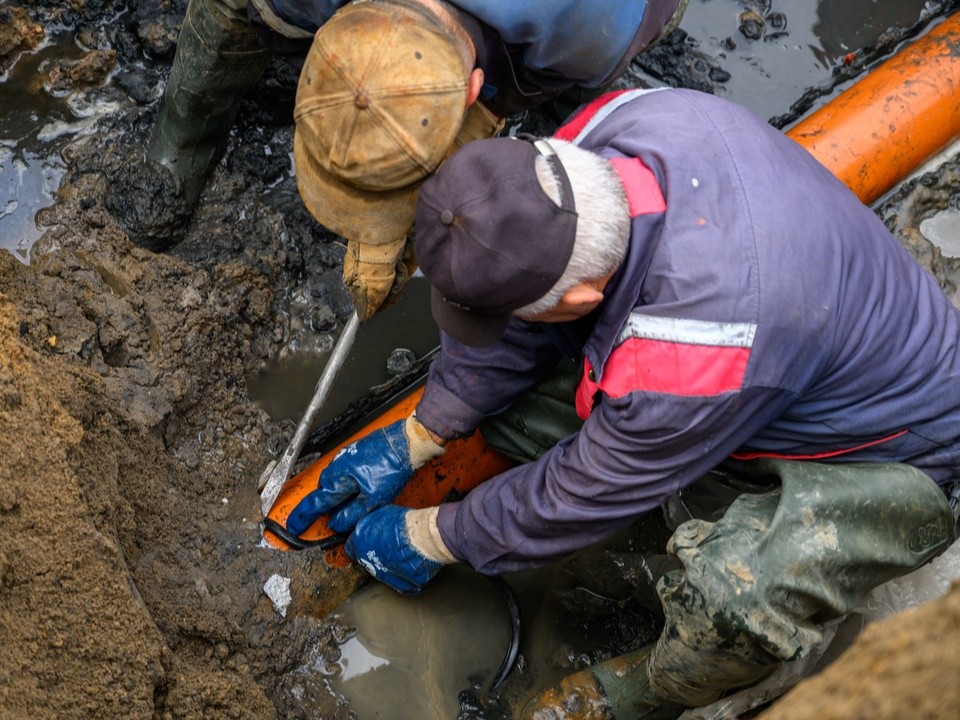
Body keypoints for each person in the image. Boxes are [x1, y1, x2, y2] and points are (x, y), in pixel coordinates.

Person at [283, 86, 960, 719]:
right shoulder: (589, 145)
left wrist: (433, 537)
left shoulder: (692, 350)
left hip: (889, 458)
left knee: (735, 599)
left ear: (579, 301)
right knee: (512, 412)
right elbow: (518, 303)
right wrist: (423, 433)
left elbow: (578, 496)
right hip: (776, 349)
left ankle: (628, 695)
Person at [108, 0, 688, 320]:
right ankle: (183, 138)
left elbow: (510, 92)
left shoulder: (598, 26)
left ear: (471, 87)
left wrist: (443, 195)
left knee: (554, 82)